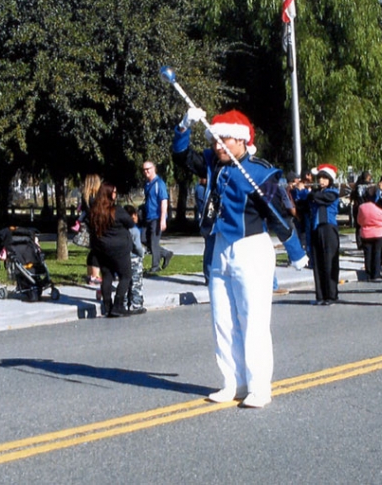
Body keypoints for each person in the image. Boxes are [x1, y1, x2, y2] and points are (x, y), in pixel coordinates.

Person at [173, 107, 307, 409]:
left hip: (251, 248)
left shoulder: (261, 171)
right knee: (222, 320)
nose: (217, 146)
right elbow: (181, 156)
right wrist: (184, 126)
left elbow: (280, 216)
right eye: (215, 140)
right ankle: (232, 382)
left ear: (242, 141)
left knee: (253, 320)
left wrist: (296, 252)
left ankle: (259, 387)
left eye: (225, 141)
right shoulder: (212, 163)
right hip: (220, 246)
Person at [89, 184, 138, 317]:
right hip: (119, 249)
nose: (115, 195)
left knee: (107, 276)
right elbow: (130, 223)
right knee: (126, 276)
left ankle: (107, 306)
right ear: (109, 194)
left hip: (102, 249)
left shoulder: (95, 211)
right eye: (114, 192)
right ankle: (118, 304)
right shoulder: (117, 210)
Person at [308, 164, 341, 305]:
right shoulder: (315, 193)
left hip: (329, 229)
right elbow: (308, 200)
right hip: (316, 229)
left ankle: (332, 295)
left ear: (330, 180)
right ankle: (320, 295)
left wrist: (311, 192)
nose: (321, 180)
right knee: (318, 262)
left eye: (324, 178)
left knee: (329, 263)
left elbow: (321, 198)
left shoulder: (333, 192)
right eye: (320, 178)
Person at [142, 161, 173, 274]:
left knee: (154, 242)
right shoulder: (147, 184)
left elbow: (164, 201)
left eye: (148, 169)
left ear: (154, 168)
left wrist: (163, 219)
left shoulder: (159, 183)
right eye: (144, 170)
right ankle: (166, 254)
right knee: (144, 239)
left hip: (157, 217)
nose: (146, 172)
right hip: (148, 217)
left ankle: (155, 266)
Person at [356, 185, 382, 282]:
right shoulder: (380, 206)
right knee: (377, 253)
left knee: (367, 253)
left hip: (366, 233)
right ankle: (376, 273)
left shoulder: (362, 207)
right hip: (379, 233)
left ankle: (368, 273)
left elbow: (359, 220)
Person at [79, 174, 102, 286]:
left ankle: (90, 275)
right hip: (97, 227)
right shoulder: (95, 199)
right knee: (98, 252)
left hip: (90, 226)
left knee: (93, 251)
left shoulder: (86, 197)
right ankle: (94, 275)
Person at [124, 204, 147, 315]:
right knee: (136, 282)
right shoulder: (134, 230)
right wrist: (142, 253)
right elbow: (137, 247)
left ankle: (123, 303)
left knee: (124, 281)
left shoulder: (120, 229)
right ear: (133, 216)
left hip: (122, 257)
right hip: (134, 258)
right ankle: (136, 304)